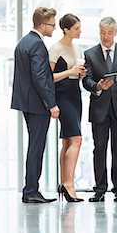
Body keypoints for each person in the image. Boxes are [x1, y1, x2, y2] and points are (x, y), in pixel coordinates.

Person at [82, 16, 117, 202]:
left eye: (109, 33)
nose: (106, 37)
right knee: (99, 149)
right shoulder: (90, 54)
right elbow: (86, 80)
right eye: (102, 33)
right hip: (99, 108)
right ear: (99, 32)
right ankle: (99, 189)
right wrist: (97, 86)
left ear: (115, 32)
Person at [11, 7, 59, 203]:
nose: (54, 28)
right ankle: (31, 190)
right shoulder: (38, 45)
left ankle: (30, 188)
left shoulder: (24, 42)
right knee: (37, 147)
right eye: (52, 25)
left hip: (26, 102)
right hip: (38, 104)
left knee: (34, 145)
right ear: (42, 25)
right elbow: (40, 78)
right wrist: (51, 104)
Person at [49, 13, 87, 203]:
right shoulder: (56, 48)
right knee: (77, 139)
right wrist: (70, 71)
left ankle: (64, 182)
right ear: (66, 29)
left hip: (75, 92)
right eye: (76, 28)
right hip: (61, 94)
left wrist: (79, 74)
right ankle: (69, 184)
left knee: (67, 141)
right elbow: (48, 78)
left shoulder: (77, 49)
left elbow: (75, 74)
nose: (80, 31)